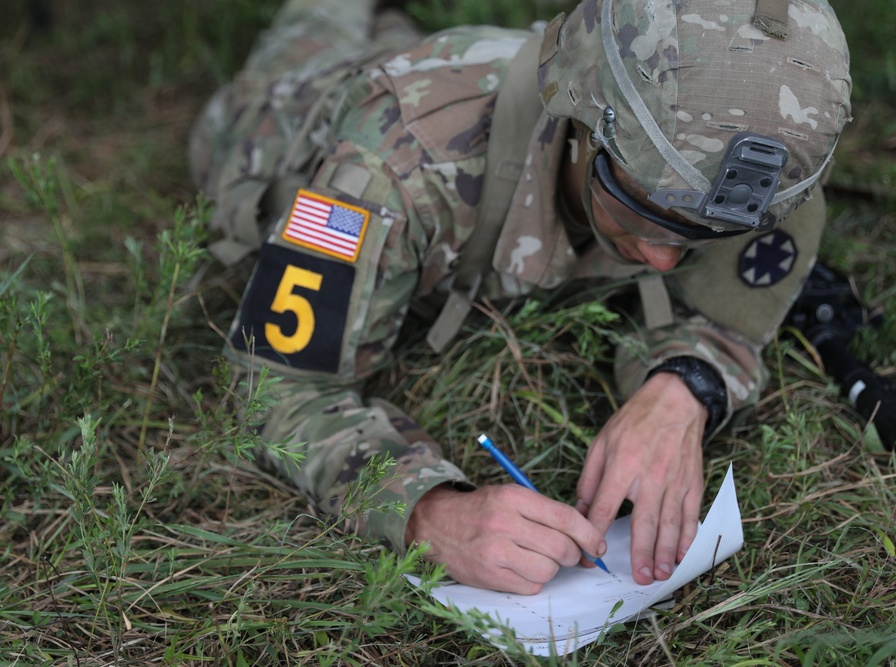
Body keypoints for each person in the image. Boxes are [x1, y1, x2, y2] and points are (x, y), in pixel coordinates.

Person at [189, 0, 851, 594]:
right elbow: (276, 386)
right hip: (279, 122)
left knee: (393, 26)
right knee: (314, 30)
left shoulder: (759, 176)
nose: (663, 257)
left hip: (450, 69)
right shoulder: (392, 167)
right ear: (585, 122)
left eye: (702, 236)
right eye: (639, 211)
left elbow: (724, 319)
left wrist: (681, 389)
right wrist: (428, 512)